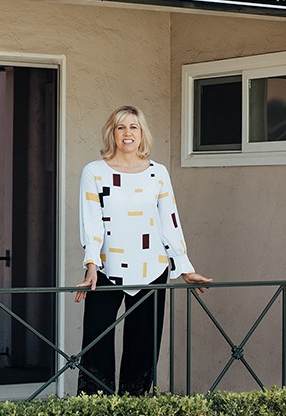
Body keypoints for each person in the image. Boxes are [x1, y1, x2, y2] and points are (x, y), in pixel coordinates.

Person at [75, 105, 211, 395]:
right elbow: (91, 222)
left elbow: (169, 221)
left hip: (152, 268)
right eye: (121, 127)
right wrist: (90, 265)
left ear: (141, 134)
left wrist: (184, 267)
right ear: (112, 133)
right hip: (106, 270)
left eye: (133, 127)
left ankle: (134, 408)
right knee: (96, 340)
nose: (127, 133)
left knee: (142, 344)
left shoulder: (157, 174)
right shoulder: (94, 172)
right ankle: (94, 411)